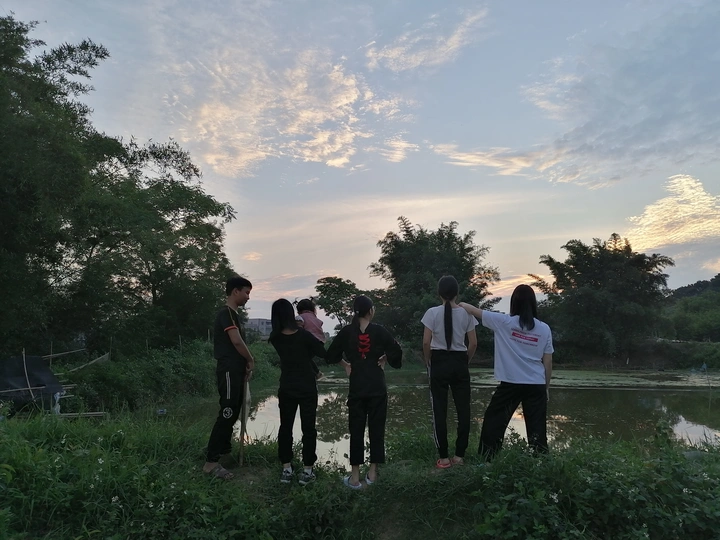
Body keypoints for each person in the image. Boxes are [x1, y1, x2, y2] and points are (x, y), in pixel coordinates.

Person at [459, 284, 553, 461]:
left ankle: (487, 461)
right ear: (533, 303)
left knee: (493, 422)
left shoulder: (504, 322)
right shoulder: (544, 329)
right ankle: (541, 463)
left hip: (511, 383)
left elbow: (473, 310)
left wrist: (458, 304)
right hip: (536, 384)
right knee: (537, 428)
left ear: (514, 303)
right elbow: (547, 362)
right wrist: (546, 388)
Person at [326, 295, 402, 489]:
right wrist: (385, 358)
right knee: (377, 430)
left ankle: (354, 477)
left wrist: (346, 365)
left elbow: (330, 355)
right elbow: (397, 352)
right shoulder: (380, 331)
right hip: (377, 386)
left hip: (357, 387)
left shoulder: (346, 332)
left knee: (356, 431)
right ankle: (373, 474)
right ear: (370, 311)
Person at [421, 275, 478, 469]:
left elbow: (426, 342)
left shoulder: (431, 313)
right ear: (457, 293)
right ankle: (459, 456)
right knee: (464, 410)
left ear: (439, 293)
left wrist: (428, 361)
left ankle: (444, 458)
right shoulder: (466, 314)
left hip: (439, 361)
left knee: (439, 410)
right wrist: (465, 361)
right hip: (459, 361)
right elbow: (473, 343)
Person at [268, 298, 327, 485]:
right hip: (307, 387)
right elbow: (323, 353)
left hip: (286, 387)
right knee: (308, 429)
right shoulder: (304, 335)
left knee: (285, 427)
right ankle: (307, 470)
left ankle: (286, 469)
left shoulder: (275, 338)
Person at [203, 276, 255, 480]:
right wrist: (250, 358)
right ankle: (211, 462)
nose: (248, 297)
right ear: (235, 291)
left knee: (233, 411)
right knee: (227, 412)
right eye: (246, 292)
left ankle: (221, 450)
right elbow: (237, 341)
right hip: (228, 370)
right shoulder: (226, 314)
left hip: (236, 370)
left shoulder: (234, 315)